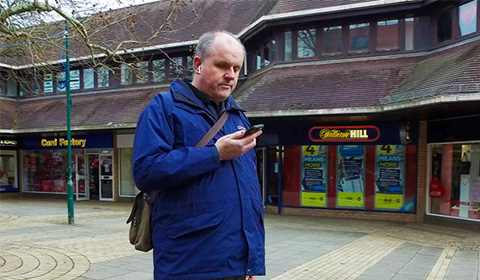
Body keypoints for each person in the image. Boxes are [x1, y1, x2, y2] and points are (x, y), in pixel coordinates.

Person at [132, 31, 265, 280]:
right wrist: (214, 154)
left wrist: (250, 260)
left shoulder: (237, 116)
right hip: (187, 264)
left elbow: (247, 190)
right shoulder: (163, 108)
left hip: (235, 265)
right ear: (198, 64)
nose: (231, 75)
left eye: (236, 68)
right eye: (223, 65)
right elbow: (146, 171)